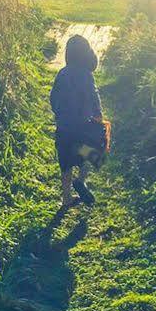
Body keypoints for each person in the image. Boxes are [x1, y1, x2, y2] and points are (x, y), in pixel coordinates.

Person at [49, 34, 103, 207]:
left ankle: (66, 198)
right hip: (84, 126)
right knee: (87, 154)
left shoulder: (62, 74)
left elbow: (53, 96)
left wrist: (58, 113)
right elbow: (94, 97)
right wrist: (98, 115)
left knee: (65, 163)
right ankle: (81, 181)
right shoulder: (87, 75)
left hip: (64, 128)